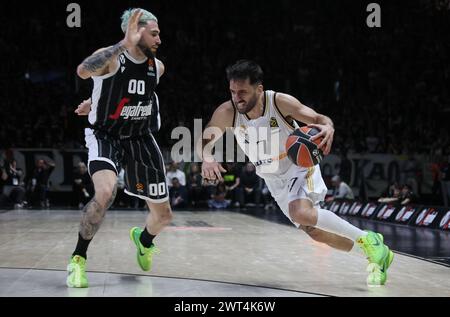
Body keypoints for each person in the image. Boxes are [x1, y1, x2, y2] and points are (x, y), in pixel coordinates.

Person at [198, 60, 394, 286]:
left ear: (259, 89)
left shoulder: (279, 102)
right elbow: (204, 139)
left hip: (298, 166)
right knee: (315, 232)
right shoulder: (227, 112)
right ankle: (375, 252)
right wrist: (207, 156)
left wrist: (328, 126)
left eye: (242, 91)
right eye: (232, 91)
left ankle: (367, 238)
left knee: (301, 212)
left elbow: (320, 119)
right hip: (271, 177)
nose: (236, 97)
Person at [67, 8, 172, 288]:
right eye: (154, 33)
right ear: (135, 33)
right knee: (105, 192)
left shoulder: (157, 67)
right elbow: (83, 71)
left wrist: (96, 101)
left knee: (163, 216)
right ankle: (78, 258)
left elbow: (139, 94)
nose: (159, 38)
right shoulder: (113, 58)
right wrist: (121, 46)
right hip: (106, 135)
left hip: (140, 138)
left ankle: (144, 240)